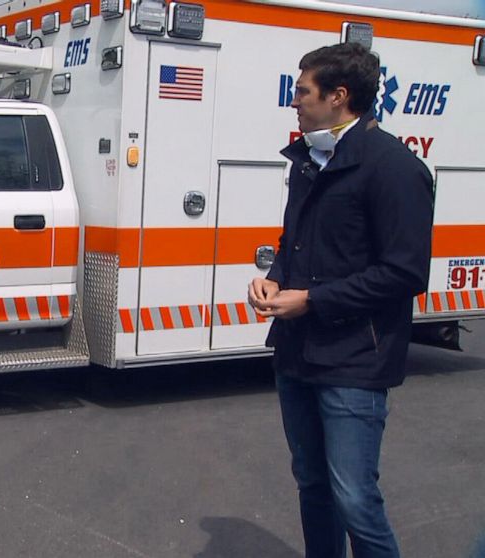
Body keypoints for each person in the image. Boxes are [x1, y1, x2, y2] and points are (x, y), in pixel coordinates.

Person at [248, 42, 433, 558]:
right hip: (298, 353)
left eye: (303, 91)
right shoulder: (311, 157)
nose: (295, 102)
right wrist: (274, 279)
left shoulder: (393, 168)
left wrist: (312, 300)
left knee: (354, 498)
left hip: (355, 360)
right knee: (313, 486)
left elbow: (405, 272)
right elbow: (295, 244)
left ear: (339, 96)